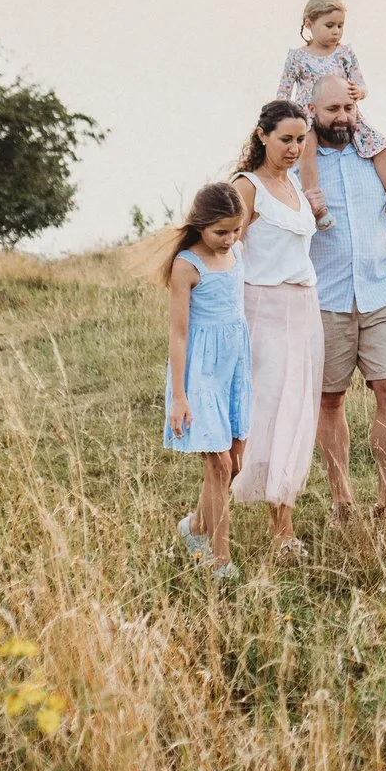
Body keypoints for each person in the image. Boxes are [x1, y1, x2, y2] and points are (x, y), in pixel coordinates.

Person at [306, 75, 386, 516]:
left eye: (348, 109)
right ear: (313, 112)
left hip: (381, 293)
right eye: (332, 110)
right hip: (325, 298)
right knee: (329, 398)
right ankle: (342, 498)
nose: (342, 118)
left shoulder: (376, 158)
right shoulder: (300, 163)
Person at [228, 100, 327, 559]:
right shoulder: (247, 188)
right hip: (260, 308)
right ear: (262, 135)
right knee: (257, 415)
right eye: (285, 139)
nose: (293, 148)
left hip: (302, 307)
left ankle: (282, 527)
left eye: (300, 140)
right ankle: (208, 520)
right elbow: (224, 250)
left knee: (296, 411)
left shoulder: (295, 187)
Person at [160, 183, 251, 580]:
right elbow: (179, 335)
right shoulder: (186, 266)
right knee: (218, 465)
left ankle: (195, 525)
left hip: (234, 367)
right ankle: (220, 561)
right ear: (200, 226)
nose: (229, 239)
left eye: (236, 230)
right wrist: (179, 396)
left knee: (234, 464)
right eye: (220, 232)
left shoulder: (236, 253)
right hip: (200, 374)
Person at [276, 0, 386, 208]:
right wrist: (285, 120)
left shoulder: (344, 53)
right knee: (307, 147)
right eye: (329, 25)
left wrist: (359, 92)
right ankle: (314, 202)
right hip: (309, 115)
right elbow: (284, 92)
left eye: (340, 25)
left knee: (379, 143)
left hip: (345, 114)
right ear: (309, 24)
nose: (336, 31)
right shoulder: (297, 57)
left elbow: (361, 84)